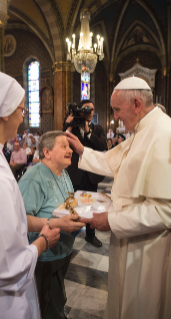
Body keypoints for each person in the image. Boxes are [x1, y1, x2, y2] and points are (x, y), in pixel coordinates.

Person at [66, 76, 171, 319]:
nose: (115, 117)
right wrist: (83, 150)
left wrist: (112, 221)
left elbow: (166, 210)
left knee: (141, 304)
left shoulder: (164, 134)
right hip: (130, 237)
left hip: (147, 247)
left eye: (117, 110)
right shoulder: (143, 129)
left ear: (136, 104)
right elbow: (113, 160)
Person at [0, 70, 60, 319]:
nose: (22, 117)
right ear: (5, 112)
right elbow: (5, 268)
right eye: (22, 109)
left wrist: (48, 222)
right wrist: (42, 242)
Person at [18, 131, 85, 319]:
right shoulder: (34, 177)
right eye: (63, 146)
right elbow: (21, 220)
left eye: (69, 146)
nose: (70, 150)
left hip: (62, 251)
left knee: (57, 300)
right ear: (47, 153)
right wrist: (56, 223)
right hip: (43, 256)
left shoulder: (63, 173)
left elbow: (69, 202)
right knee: (48, 308)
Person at [63, 99, 107, 247]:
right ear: (80, 111)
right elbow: (62, 142)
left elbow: (102, 146)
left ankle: (90, 234)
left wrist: (88, 132)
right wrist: (67, 125)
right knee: (72, 205)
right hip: (74, 173)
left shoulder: (97, 129)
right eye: (87, 109)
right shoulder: (72, 128)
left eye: (92, 109)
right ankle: (70, 233)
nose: (90, 112)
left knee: (90, 205)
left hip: (91, 174)